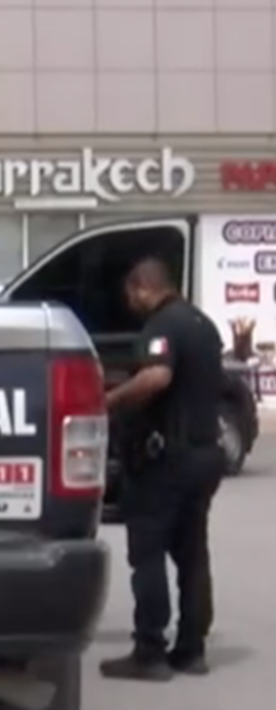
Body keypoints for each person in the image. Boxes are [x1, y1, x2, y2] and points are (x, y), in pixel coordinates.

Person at [99, 257, 229, 682]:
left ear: (142, 287)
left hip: (167, 459)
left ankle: (149, 652)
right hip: (205, 454)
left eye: (130, 295)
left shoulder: (163, 325)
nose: (130, 304)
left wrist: (111, 400)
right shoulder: (203, 325)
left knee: (148, 552)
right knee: (192, 554)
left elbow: (156, 377)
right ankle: (191, 650)